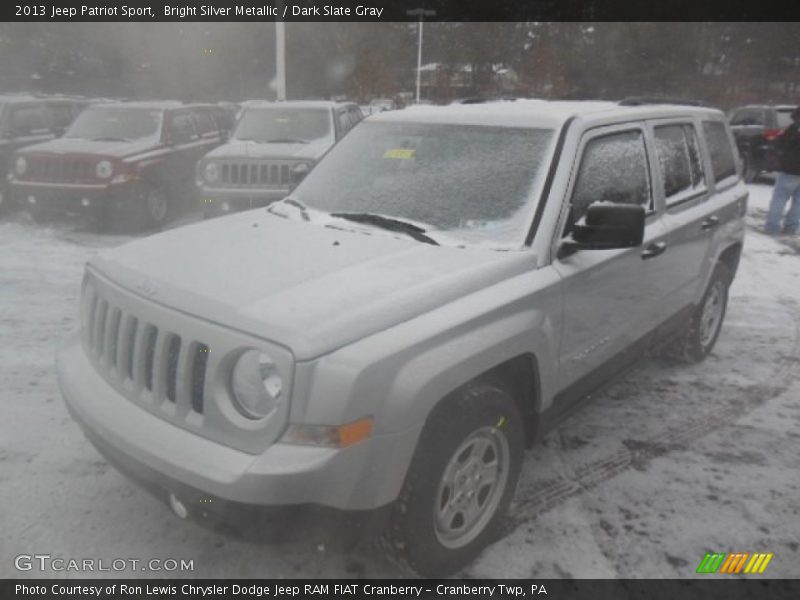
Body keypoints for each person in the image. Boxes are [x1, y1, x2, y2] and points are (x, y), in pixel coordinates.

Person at [765, 106, 800, 235]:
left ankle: (772, 226)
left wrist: (779, 153)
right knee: (798, 202)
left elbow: (781, 143)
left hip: (790, 169)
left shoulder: (793, 129)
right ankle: (791, 227)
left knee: (779, 199)